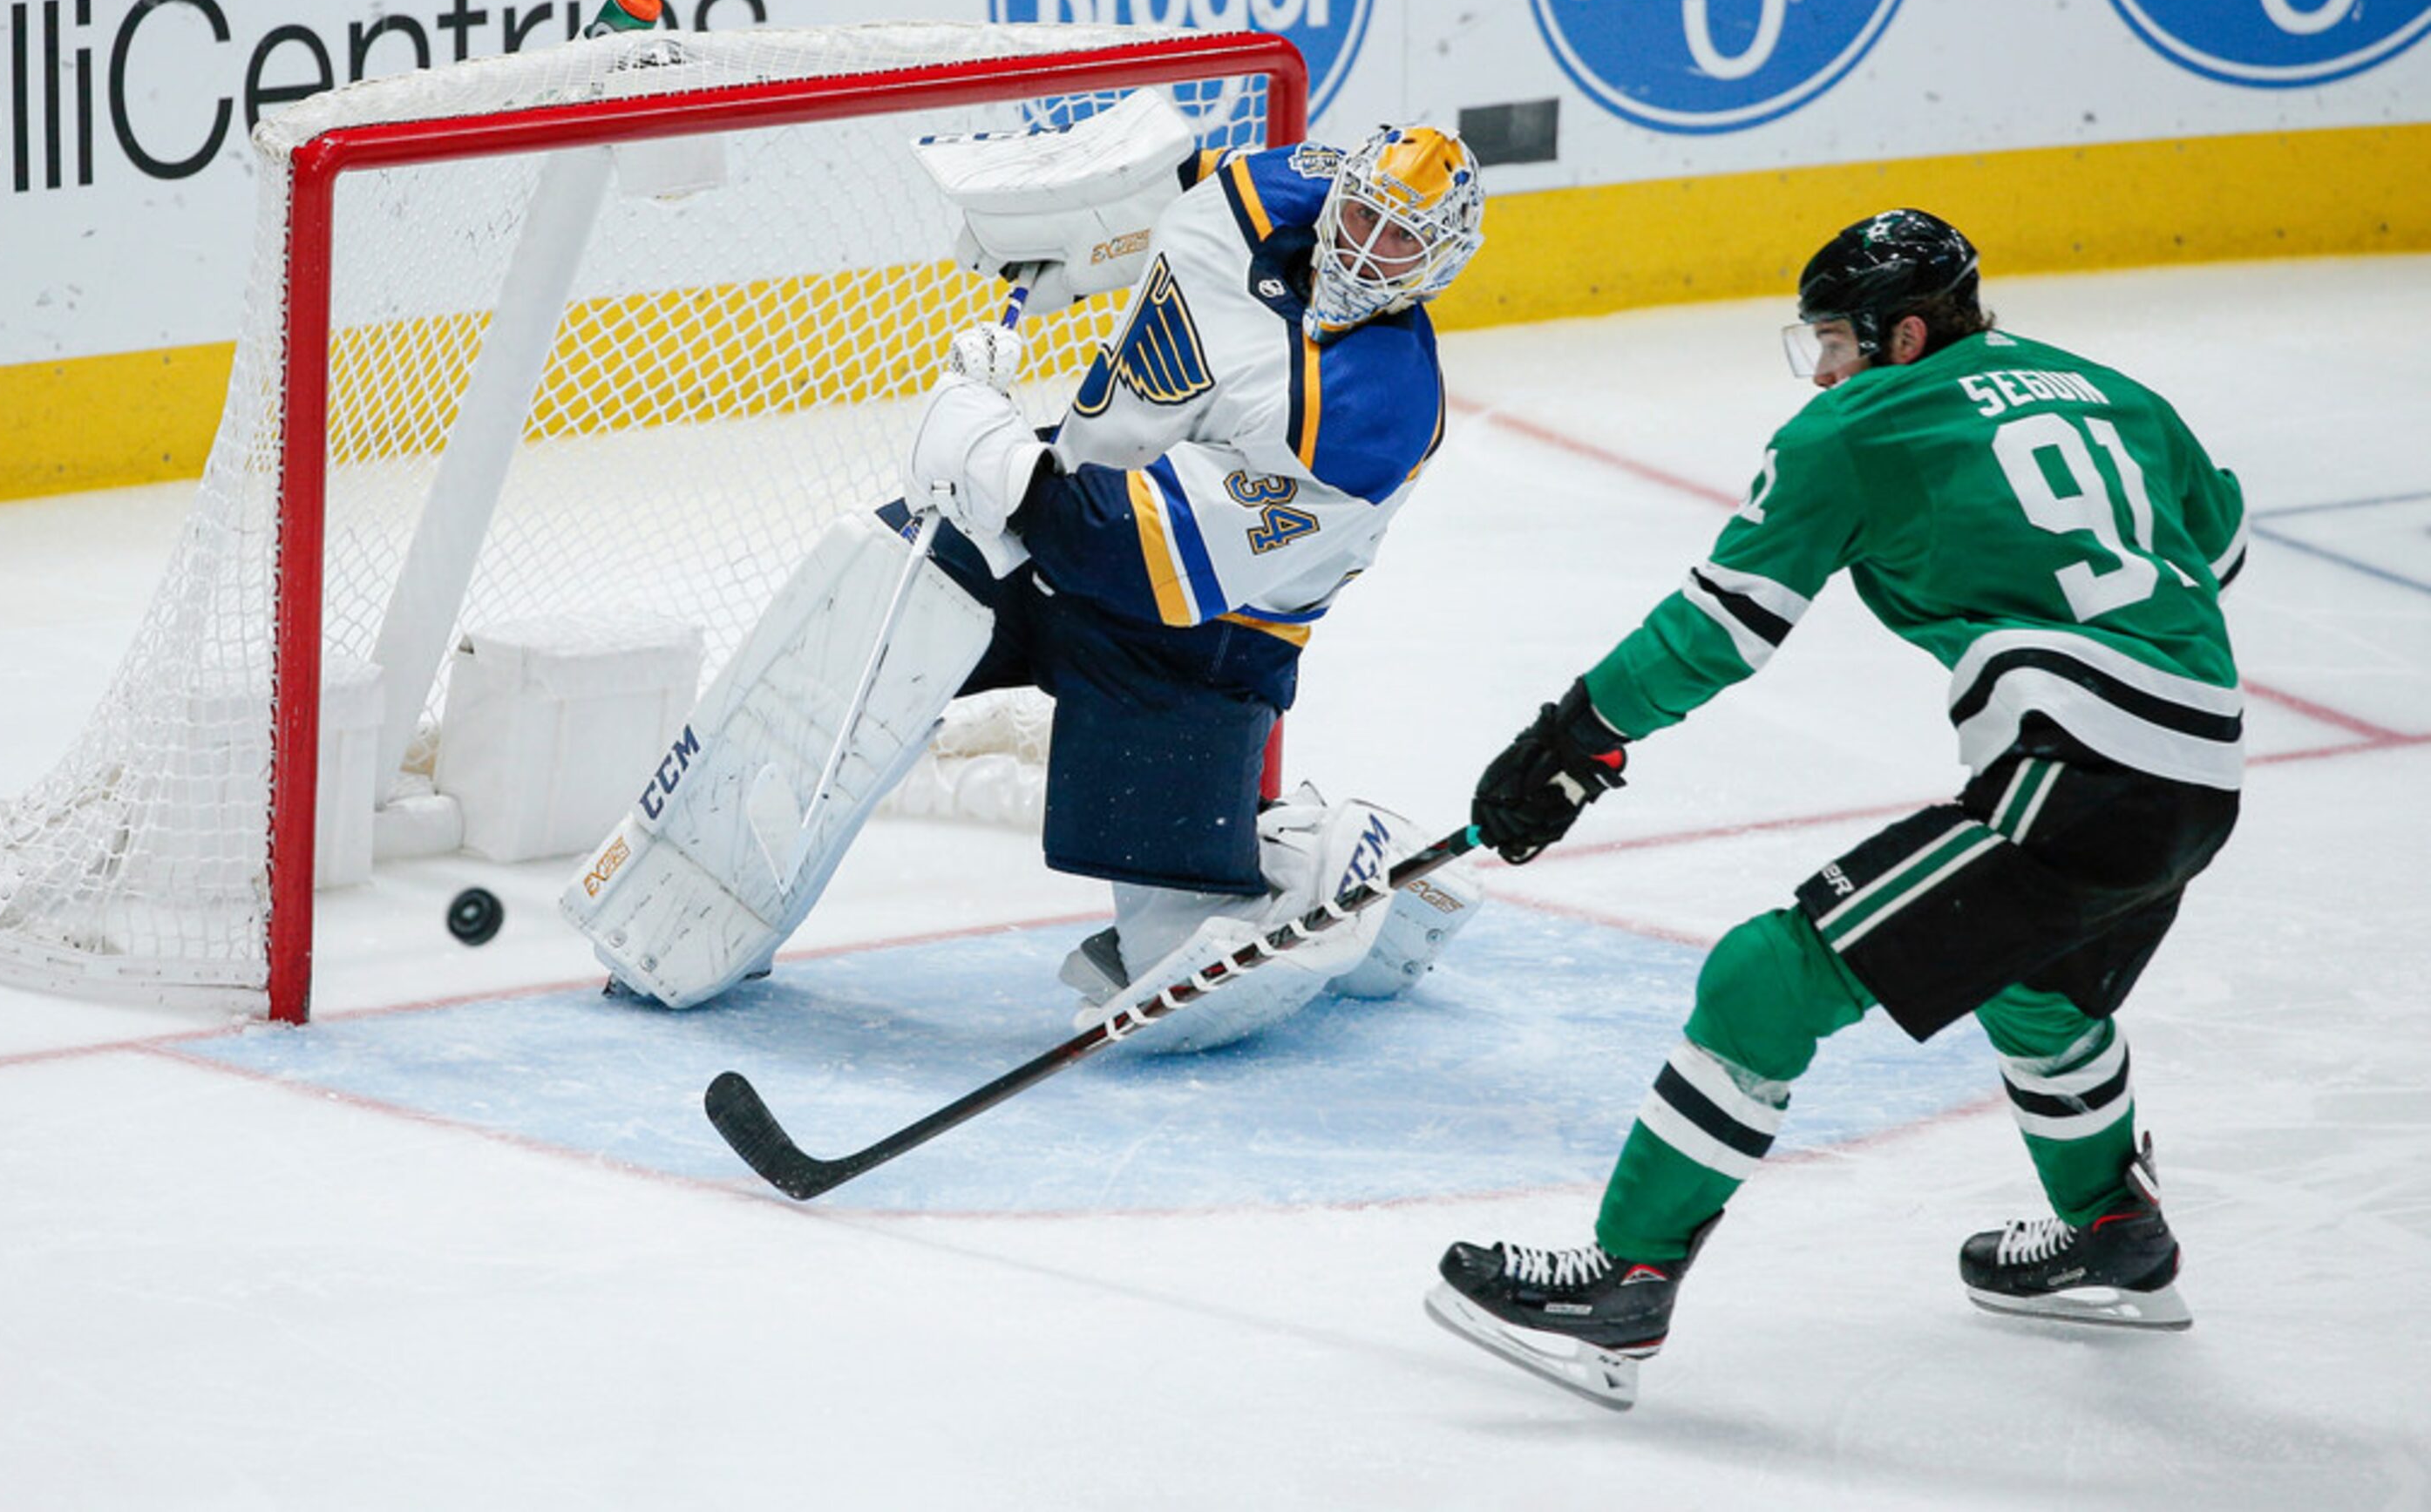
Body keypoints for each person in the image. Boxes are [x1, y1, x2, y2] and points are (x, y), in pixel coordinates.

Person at [1423, 208, 2246, 1409]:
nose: (1822, 366)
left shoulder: (1856, 425)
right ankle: (2115, 1228)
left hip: (2083, 767)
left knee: (1766, 975)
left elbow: (1719, 628)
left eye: (1836, 340)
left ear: (1905, 334)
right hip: (2203, 767)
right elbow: (2211, 549)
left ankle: (1626, 1275)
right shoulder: (2109, 389)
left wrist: (1577, 734)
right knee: (2034, 982)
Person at [566, 117, 1491, 1054]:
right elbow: (1174, 182)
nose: (1369, 249)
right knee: (855, 626)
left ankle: (1309, 858)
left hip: (1195, 637)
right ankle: (695, 905)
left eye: (1402, 240)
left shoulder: (1375, 413)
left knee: (1170, 956)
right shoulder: (1287, 186)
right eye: (1365, 217)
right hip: (1058, 510)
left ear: (1441, 265)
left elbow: (1141, 556)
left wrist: (991, 454)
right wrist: (1088, 251)